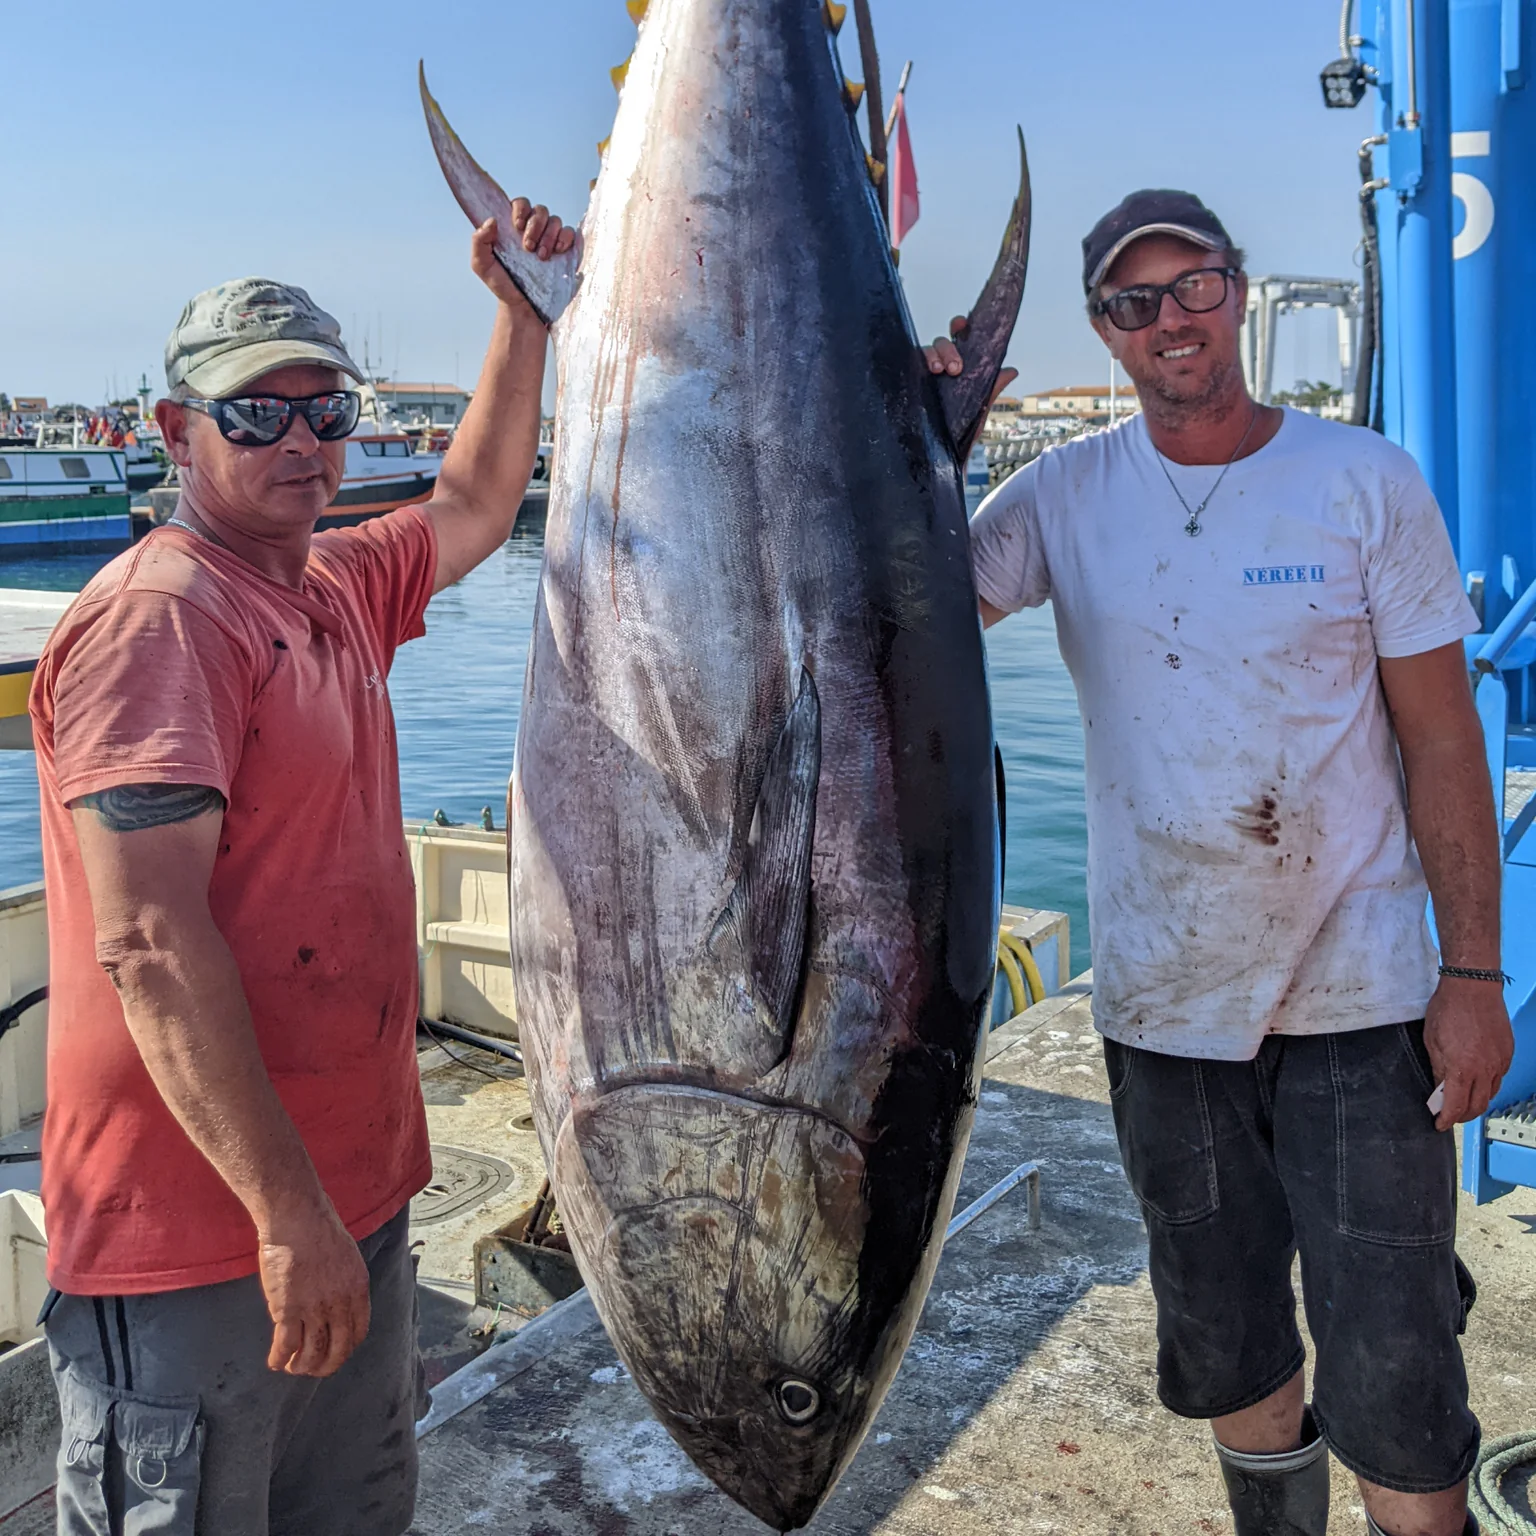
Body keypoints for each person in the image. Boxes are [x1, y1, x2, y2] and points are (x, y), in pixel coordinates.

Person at [927, 189, 1514, 1536]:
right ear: (1105, 334)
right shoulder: (1059, 497)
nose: (1170, 321)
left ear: (1238, 291)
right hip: (1164, 1010)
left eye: (1193, 287)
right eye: (1135, 305)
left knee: (1400, 1367)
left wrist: (1472, 972)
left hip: (1364, 1005)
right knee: (1233, 1346)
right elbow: (890, 619)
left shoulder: (1364, 480)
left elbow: (1442, 742)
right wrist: (918, 439)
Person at [29, 198, 573, 1536]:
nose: (300, 442)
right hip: (202, 1237)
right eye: (255, 415)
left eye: (325, 412)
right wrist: (286, 1219)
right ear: (176, 432)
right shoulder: (166, 617)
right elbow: (148, 943)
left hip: (355, 1201)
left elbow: (474, 500)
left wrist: (523, 319)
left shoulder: (325, 586)